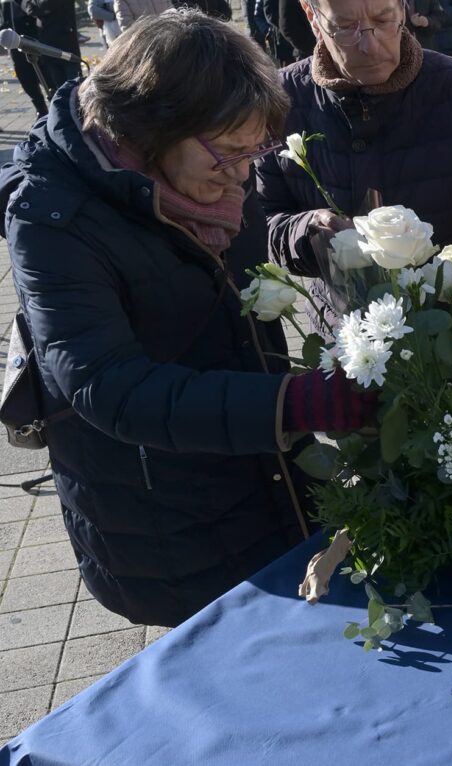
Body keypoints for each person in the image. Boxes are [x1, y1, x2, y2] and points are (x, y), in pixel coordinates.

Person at [0, 10, 379, 628]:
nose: (242, 173)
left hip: (265, 478)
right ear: (151, 129)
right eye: (228, 154)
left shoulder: (208, 172)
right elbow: (106, 385)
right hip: (163, 513)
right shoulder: (54, 215)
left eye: (252, 153)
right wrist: (297, 405)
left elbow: (236, 272)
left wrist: (307, 242)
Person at [256, 0, 452, 327]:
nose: (370, 44)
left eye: (383, 20)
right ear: (312, 16)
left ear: (404, 6)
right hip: (340, 342)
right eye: (346, 27)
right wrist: (309, 231)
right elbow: (260, 221)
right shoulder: (281, 102)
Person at [15, 0, 80, 93]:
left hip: (67, 46)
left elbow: (44, 5)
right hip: (49, 47)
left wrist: (33, 5)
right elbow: (32, 9)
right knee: (61, 90)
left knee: (75, 89)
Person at [1, 0, 48, 116]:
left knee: (48, 80)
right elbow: (4, 23)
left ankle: (59, 110)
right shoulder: (5, 3)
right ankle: (41, 111)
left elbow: (34, 11)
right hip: (16, 50)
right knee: (27, 82)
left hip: (36, 44)